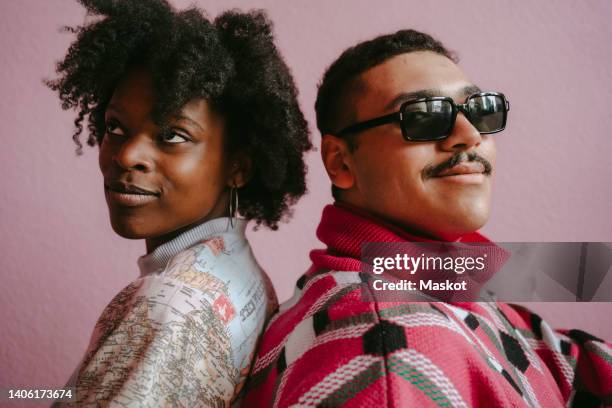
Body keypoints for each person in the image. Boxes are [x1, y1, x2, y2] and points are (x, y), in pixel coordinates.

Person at [243, 30, 612, 407]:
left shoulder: (440, 274)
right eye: (423, 117)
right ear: (341, 161)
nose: (469, 135)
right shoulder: (384, 346)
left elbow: (562, 359)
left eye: (480, 110)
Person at [46, 0, 311, 406]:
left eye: (172, 135)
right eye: (115, 126)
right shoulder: (236, 267)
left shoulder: (171, 307)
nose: (126, 154)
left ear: (238, 166)